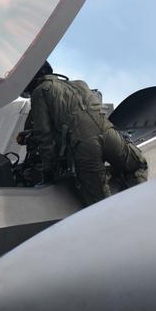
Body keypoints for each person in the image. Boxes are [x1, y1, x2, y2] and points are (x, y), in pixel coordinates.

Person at [21, 62, 148, 205]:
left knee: (99, 204)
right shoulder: (80, 84)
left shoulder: (40, 92)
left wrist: (48, 170)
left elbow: (44, 135)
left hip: (85, 145)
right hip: (110, 134)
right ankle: (141, 205)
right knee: (138, 165)